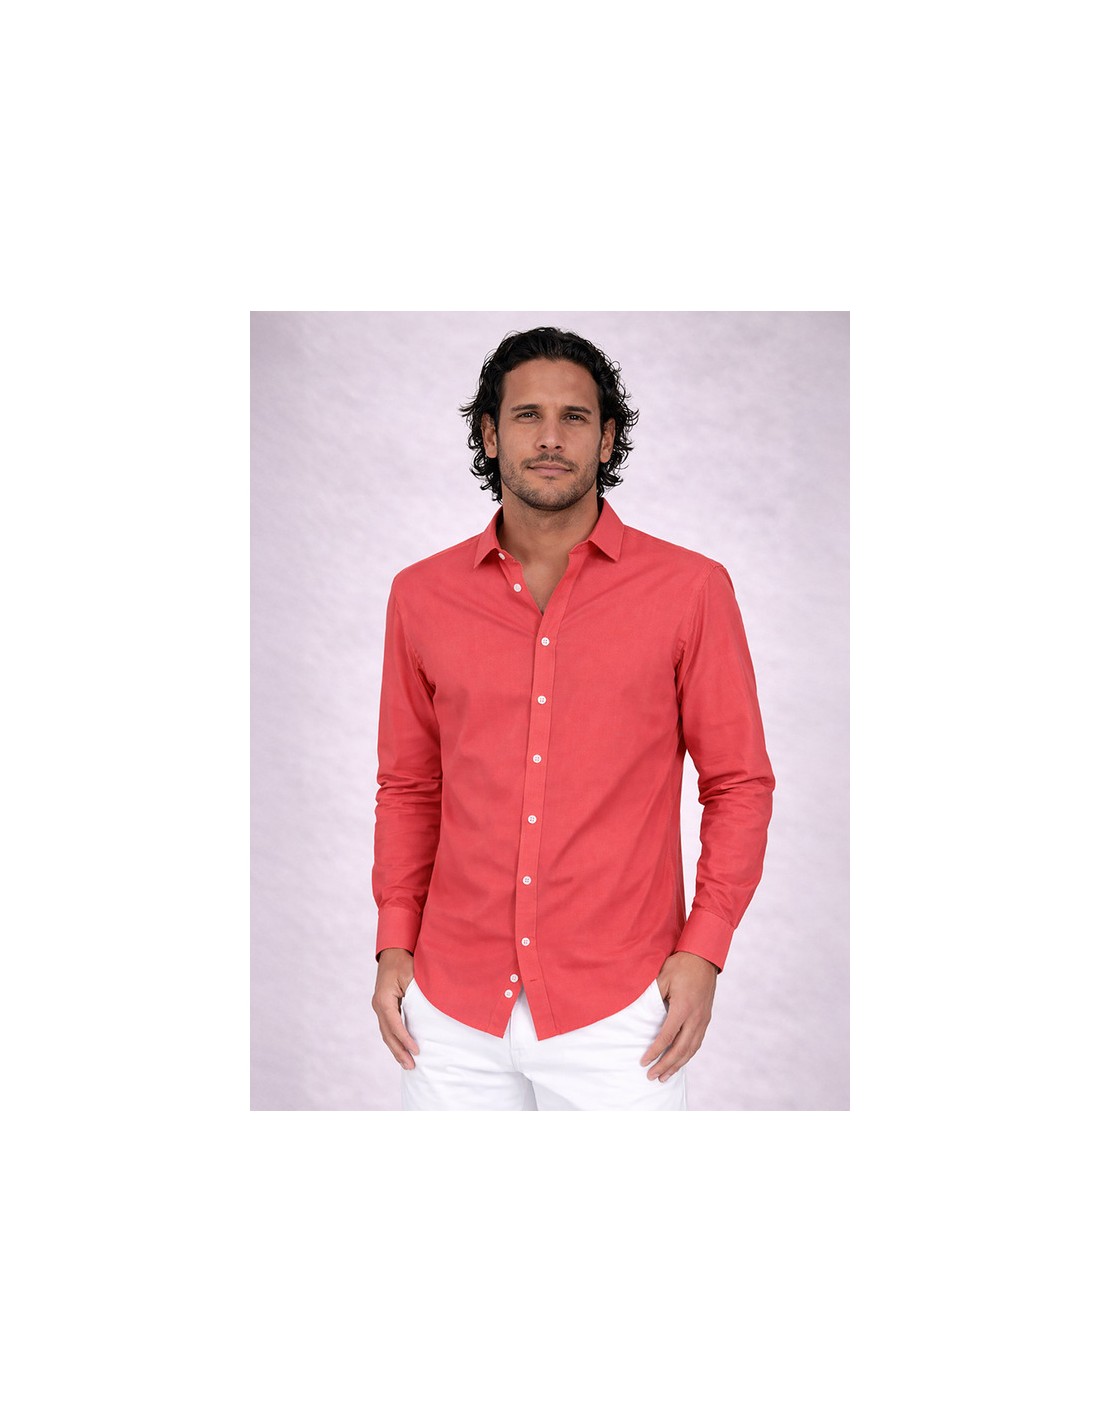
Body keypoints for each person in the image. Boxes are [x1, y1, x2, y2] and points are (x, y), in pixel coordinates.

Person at [371, 326, 774, 1110]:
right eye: (527, 415)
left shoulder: (690, 591)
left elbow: (739, 784)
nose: (550, 437)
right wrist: (394, 943)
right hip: (450, 1011)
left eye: (575, 417)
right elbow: (410, 787)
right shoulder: (420, 596)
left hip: (621, 1013)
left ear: (607, 437)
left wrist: (705, 951)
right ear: (490, 434)